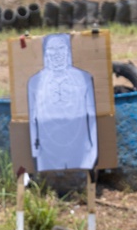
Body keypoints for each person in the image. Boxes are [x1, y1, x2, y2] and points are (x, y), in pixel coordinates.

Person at [28, 33, 97, 172]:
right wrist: (35, 151)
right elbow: (32, 119)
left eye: (61, 48)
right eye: (51, 49)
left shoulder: (83, 78)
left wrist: (93, 148)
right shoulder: (35, 82)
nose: (56, 54)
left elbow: (92, 117)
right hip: (47, 147)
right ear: (45, 53)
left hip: (79, 145)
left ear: (68, 51)